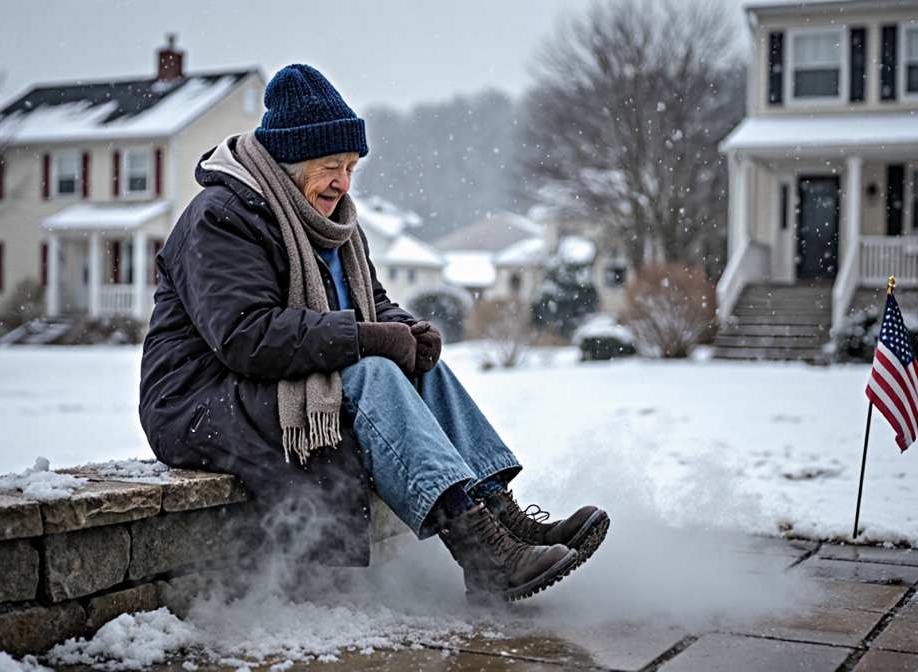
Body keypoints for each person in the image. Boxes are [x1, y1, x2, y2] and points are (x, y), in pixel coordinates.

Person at [139, 64, 608, 602]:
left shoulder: (329, 219)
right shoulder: (222, 216)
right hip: (199, 402)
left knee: (419, 367)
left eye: (351, 166)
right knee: (372, 372)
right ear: (287, 162)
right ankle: (479, 546)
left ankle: (501, 516)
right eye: (330, 166)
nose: (343, 181)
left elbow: (370, 305)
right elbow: (247, 336)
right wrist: (371, 339)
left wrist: (406, 329)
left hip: (261, 387)